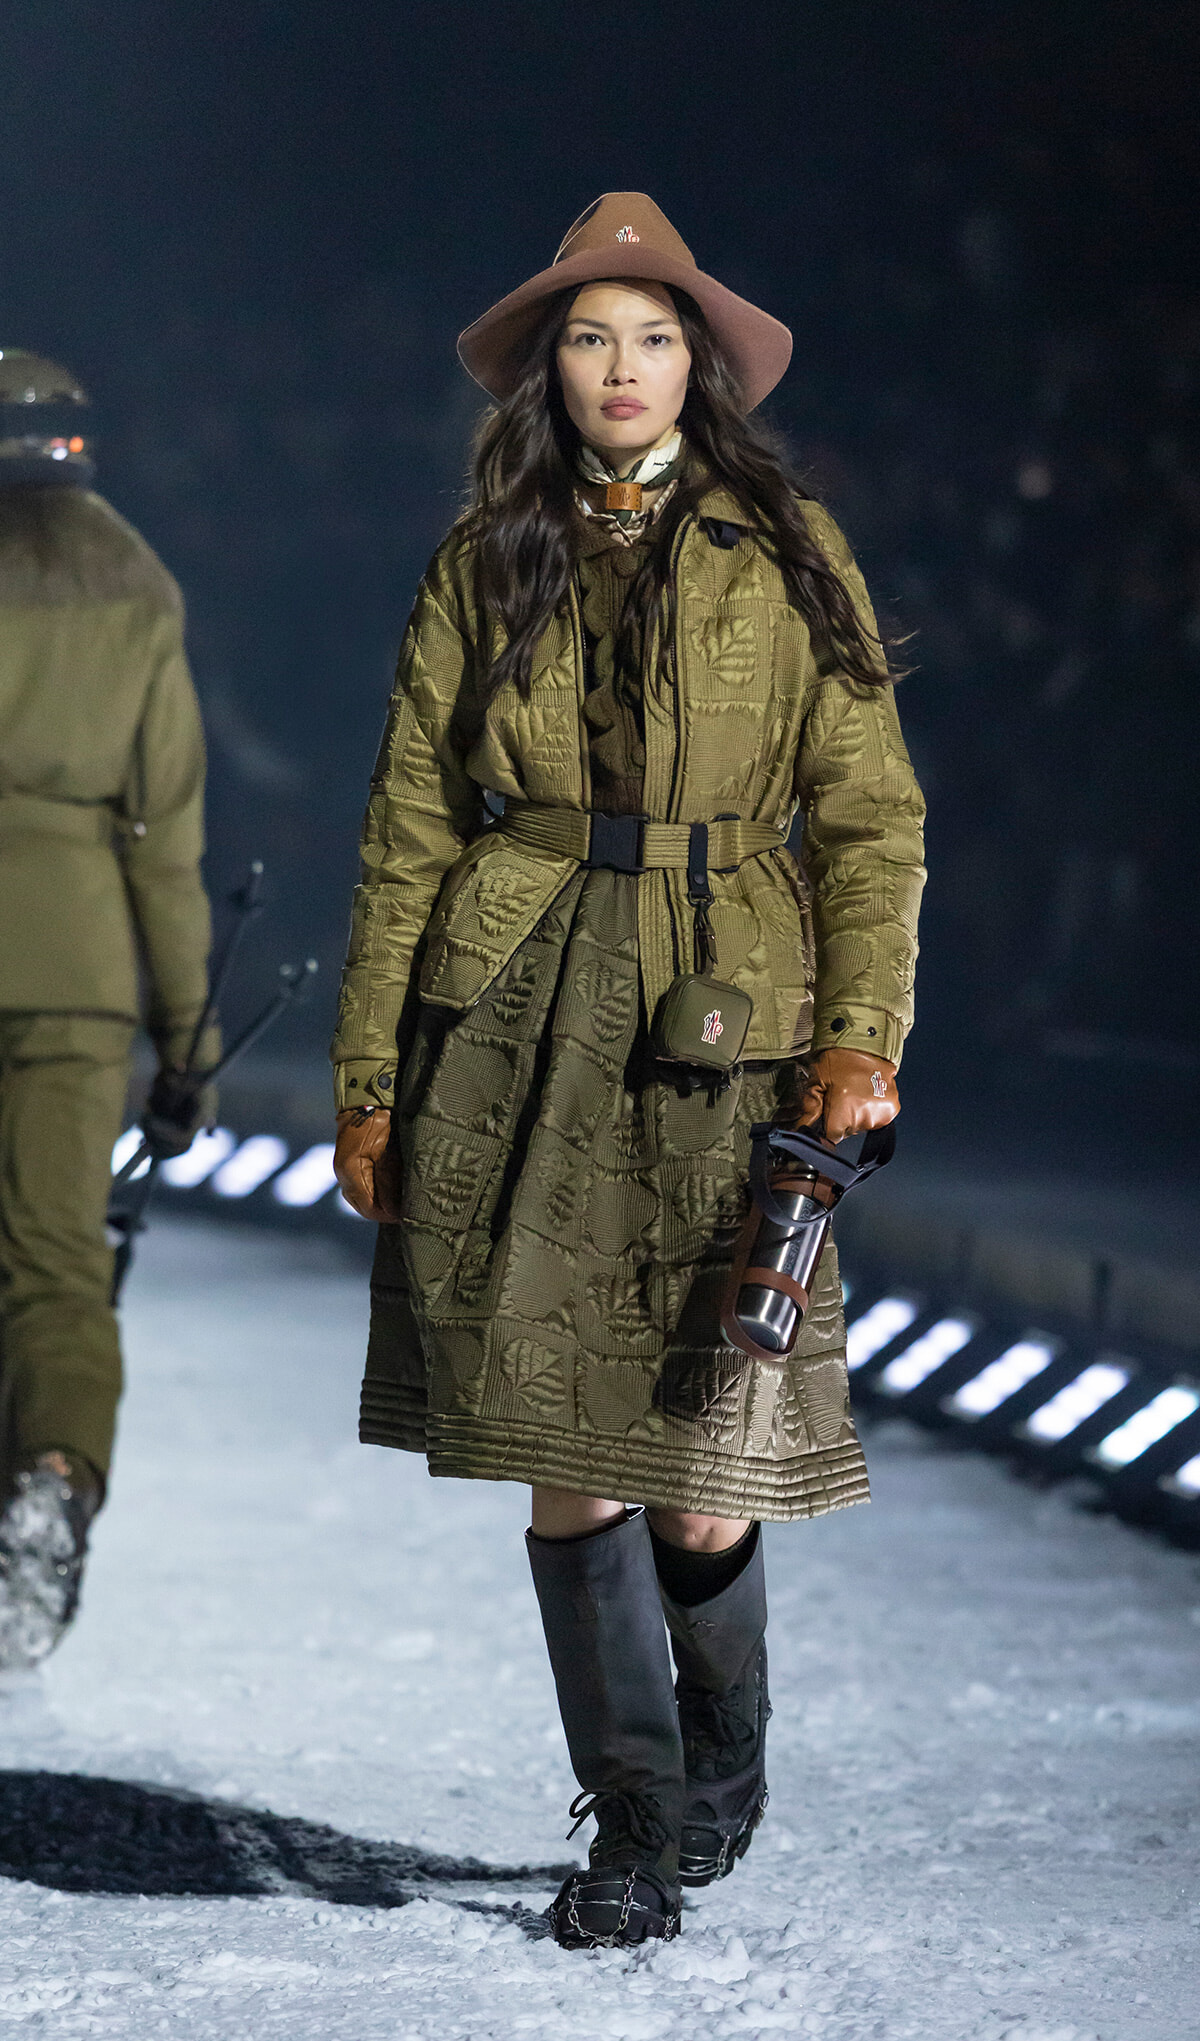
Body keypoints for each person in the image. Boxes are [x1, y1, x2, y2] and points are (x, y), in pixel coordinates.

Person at [331, 195, 925, 1948]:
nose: (620, 367)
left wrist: (860, 1035)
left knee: (700, 1453)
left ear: (700, 365)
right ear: (549, 367)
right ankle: (638, 1820)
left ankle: (723, 1754)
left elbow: (872, 814)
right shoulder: (481, 557)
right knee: (560, 1444)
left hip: (728, 1013)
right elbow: (410, 826)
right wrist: (374, 1069)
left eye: (652, 336)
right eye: (589, 336)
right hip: (522, 1021)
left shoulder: (788, 549)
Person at [0, 348, 215, 1668]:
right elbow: (166, 843)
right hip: (77, 963)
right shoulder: (138, 584)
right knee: (57, 1261)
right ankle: (56, 1478)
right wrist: (184, 1044)